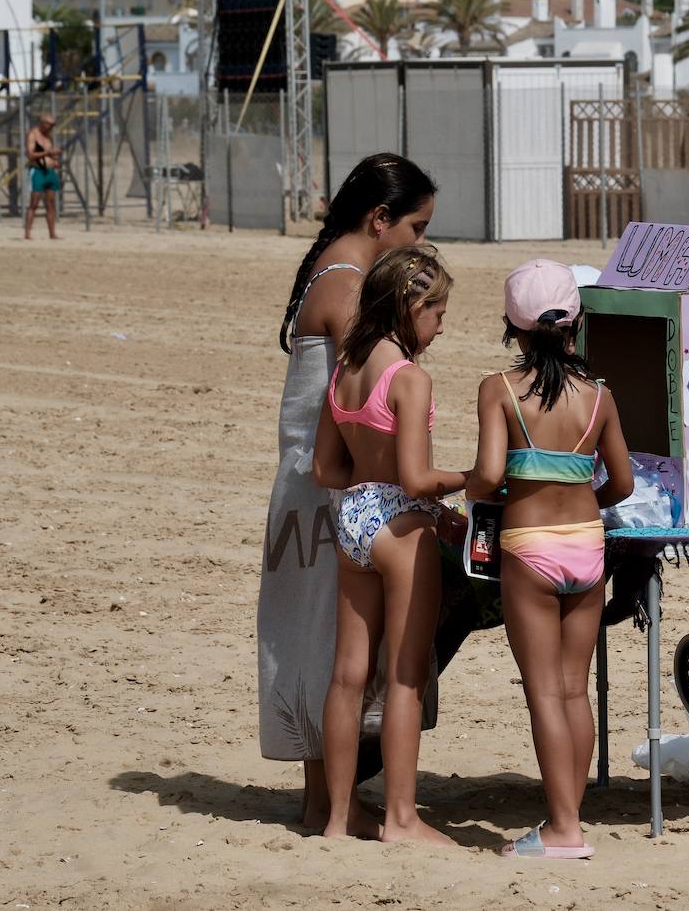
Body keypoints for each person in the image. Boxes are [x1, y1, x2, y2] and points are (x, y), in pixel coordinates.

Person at [256, 153, 437, 833]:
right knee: (336, 648)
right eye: (416, 228)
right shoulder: (351, 286)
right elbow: (384, 382)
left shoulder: (331, 269)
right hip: (332, 491)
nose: (420, 243)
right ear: (380, 218)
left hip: (321, 484)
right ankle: (337, 803)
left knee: (326, 644)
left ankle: (327, 804)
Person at [468, 259, 633, 860]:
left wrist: (473, 492)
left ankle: (564, 828)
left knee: (542, 692)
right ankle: (569, 817)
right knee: (572, 690)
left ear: (512, 328)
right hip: (587, 545)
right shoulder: (600, 396)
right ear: (576, 323)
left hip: (529, 545)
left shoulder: (499, 389)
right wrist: (584, 498)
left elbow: (488, 473)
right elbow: (623, 483)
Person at [312, 245, 465, 845]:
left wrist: (369, 479)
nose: (441, 326)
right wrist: (473, 479)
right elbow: (418, 480)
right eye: (437, 313)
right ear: (410, 307)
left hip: (352, 519)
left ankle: (338, 816)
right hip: (401, 525)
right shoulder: (409, 379)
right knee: (404, 676)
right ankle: (401, 818)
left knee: (347, 676)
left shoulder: (346, 369)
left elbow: (325, 468)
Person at [24, 114, 61, 240]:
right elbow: (30, 155)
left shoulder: (49, 136)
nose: (51, 128)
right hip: (38, 171)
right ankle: (27, 233)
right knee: (34, 203)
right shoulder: (33, 135)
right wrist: (48, 152)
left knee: (51, 203)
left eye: (52, 126)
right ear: (43, 123)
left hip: (50, 172)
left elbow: (50, 154)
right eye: (49, 125)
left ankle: (52, 233)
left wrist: (55, 160)